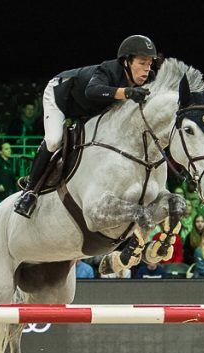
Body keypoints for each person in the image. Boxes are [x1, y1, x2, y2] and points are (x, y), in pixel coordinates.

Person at [14, 35, 158, 217]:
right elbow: (92, 91)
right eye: (142, 63)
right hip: (61, 95)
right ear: (126, 62)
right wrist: (127, 92)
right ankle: (30, 191)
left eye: (150, 63)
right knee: (53, 140)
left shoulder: (149, 79)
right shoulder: (108, 70)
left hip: (89, 109)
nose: (147, 68)